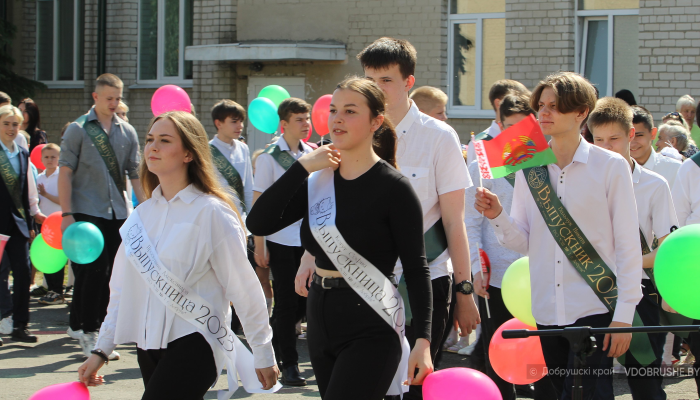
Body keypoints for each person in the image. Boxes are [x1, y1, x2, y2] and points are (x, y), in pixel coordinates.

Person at [247, 76, 433, 400]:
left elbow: (417, 269)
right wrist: (302, 167)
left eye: (350, 111)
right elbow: (259, 221)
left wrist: (423, 341)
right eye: (334, 110)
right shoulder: (318, 180)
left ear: (376, 121)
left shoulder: (394, 188)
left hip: (371, 321)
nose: (337, 119)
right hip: (320, 314)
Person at [76, 111, 279, 399]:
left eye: (164, 140)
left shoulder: (212, 212)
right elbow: (120, 293)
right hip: (147, 347)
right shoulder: (140, 217)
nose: (153, 147)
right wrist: (101, 350)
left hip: (196, 342)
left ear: (188, 154)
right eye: (149, 140)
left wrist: (263, 351)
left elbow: (243, 287)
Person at [475, 72, 643, 400]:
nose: (544, 113)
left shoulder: (610, 166)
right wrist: (497, 216)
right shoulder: (528, 164)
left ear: (581, 113)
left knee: (585, 395)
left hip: (595, 304)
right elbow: (524, 242)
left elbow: (627, 245)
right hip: (547, 310)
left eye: (555, 106)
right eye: (541, 106)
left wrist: (624, 316)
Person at [356, 37, 478, 400]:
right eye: (370, 80)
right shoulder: (356, 131)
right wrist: (310, 257)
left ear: (408, 82)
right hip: (362, 282)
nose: (376, 89)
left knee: (415, 388)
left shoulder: (439, 137)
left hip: (423, 286)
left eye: (386, 80)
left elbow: (455, 222)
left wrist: (465, 291)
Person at [589, 97, 678, 400]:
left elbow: (667, 248)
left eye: (613, 138)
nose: (606, 146)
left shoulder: (655, 185)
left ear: (630, 136)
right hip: (590, 295)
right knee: (593, 386)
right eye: (598, 140)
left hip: (638, 296)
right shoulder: (580, 183)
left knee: (646, 387)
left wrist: (627, 263)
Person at [59, 73, 144, 358]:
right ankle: (89, 331)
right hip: (85, 211)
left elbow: (134, 175)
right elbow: (65, 172)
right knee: (92, 272)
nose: (114, 103)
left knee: (113, 275)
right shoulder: (78, 129)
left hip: (117, 212)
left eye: (118, 98)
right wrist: (66, 213)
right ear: (95, 97)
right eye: (109, 98)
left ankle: (101, 331)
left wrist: (145, 211)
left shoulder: (127, 132)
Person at [467, 93, 534, 400]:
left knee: (537, 352)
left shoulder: (544, 159)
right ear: (498, 124)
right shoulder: (483, 161)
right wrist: (476, 268)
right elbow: (469, 220)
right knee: (500, 349)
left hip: (536, 272)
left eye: (524, 126)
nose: (516, 135)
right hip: (497, 275)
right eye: (509, 126)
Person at [252, 97, 314, 386]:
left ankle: (282, 347)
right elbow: (259, 201)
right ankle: (288, 364)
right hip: (279, 239)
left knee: (306, 302)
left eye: (307, 118)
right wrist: (260, 244)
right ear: (284, 124)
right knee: (288, 303)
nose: (306, 124)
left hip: (308, 239)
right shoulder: (268, 157)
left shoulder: (313, 153)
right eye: (299, 119)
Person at [0, 105, 47, 344]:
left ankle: (20, 325)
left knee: (23, 273)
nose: (11, 128)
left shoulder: (21, 153)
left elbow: (28, 191)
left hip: (17, 224)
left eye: (15, 124)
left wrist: (32, 219)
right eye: (6, 123)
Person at [467, 80, 531, 165]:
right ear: (498, 103)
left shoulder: (529, 139)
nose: (519, 106)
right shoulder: (480, 143)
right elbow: (475, 175)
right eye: (514, 100)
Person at [35, 143, 67, 305]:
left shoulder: (62, 175)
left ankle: (58, 291)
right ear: (41, 159)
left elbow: (63, 200)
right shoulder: (40, 177)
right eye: (46, 157)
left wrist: (46, 194)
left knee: (58, 258)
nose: (50, 160)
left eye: (53, 157)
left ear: (59, 158)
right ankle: (51, 289)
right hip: (45, 223)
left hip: (59, 222)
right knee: (47, 256)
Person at [209, 99, 253, 214]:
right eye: (234, 122)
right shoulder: (207, 151)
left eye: (241, 121)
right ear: (218, 124)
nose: (240, 126)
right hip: (217, 215)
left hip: (241, 217)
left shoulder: (243, 148)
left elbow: (248, 186)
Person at [631, 106, 682, 188]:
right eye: (628, 136)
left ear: (653, 133)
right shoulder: (615, 171)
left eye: (639, 135)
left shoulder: (675, 170)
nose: (632, 143)